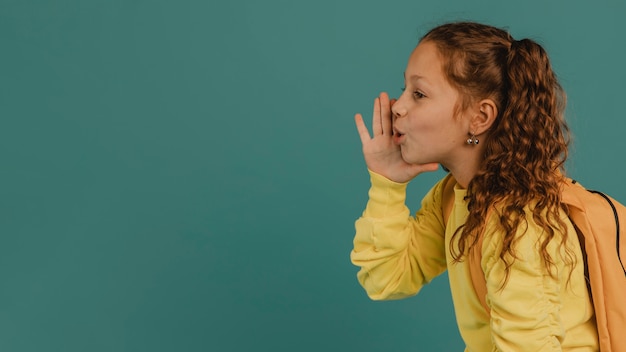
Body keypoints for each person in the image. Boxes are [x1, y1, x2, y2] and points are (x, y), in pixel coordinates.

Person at [350, 22, 599, 351]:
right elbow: (388, 278)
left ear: (480, 117)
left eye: (419, 94)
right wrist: (387, 183)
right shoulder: (455, 196)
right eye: (405, 89)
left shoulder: (520, 223)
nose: (398, 105)